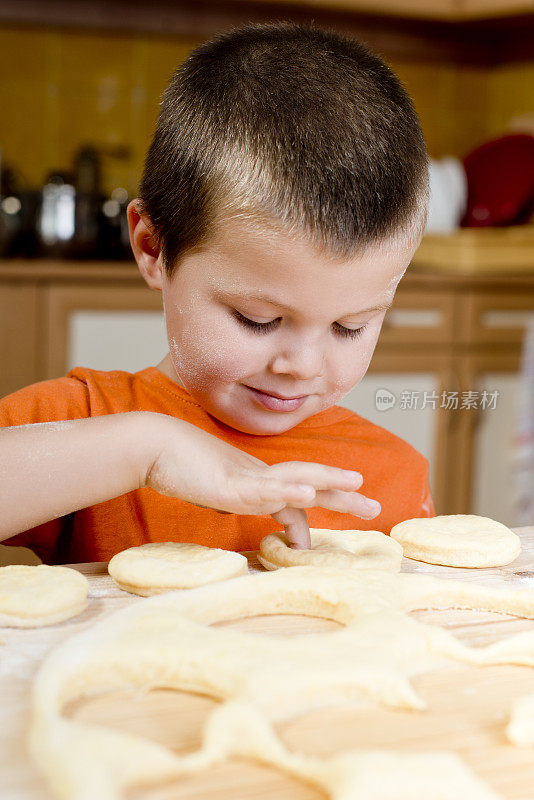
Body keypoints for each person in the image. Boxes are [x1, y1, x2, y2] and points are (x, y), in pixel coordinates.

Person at [0, 22, 434, 565]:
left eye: (351, 326)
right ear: (153, 247)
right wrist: (147, 451)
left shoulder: (390, 476)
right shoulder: (86, 422)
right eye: (257, 318)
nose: (301, 365)